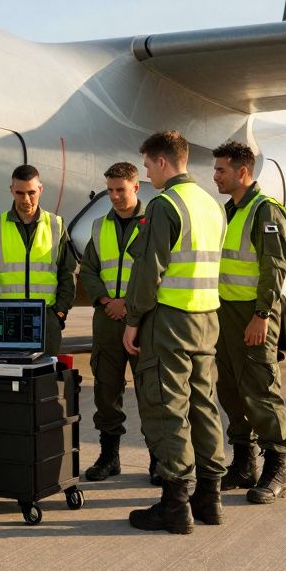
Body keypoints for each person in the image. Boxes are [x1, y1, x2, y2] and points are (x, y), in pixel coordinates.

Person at [122, 131, 227, 534]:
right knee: (203, 405)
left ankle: (175, 503)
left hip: (169, 321)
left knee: (167, 407)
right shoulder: (211, 204)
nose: (147, 174)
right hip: (206, 319)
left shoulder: (165, 205)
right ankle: (210, 498)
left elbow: (149, 270)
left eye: (148, 165)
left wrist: (133, 319)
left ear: (163, 161)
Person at [211, 140, 286, 504]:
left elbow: (274, 267)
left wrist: (262, 315)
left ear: (242, 172)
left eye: (221, 170)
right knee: (230, 388)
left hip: (254, 314)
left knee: (261, 388)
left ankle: (277, 469)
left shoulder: (265, 211)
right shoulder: (228, 211)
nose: (215, 176)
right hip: (225, 312)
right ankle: (244, 463)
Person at [77, 161, 160, 483]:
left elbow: (158, 270)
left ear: (136, 187)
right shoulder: (100, 226)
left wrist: (128, 303)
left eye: (120, 190)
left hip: (143, 320)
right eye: (110, 190)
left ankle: (158, 459)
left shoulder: (154, 222)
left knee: (150, 392)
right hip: (108, 320)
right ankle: (109, 457)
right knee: (106, 390)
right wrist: (105, 300)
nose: (114, 196)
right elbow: (89, 269)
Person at [0, 164, 76, 357]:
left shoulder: (56, 225)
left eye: (31, 192)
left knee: (45, 372)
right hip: (7, 317)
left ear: (40, 189)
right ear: (11, 190)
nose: (26, 199)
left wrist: (59, 312)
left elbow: (67, 273)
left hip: (46, 318)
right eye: (20, 193)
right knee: (10, 372)